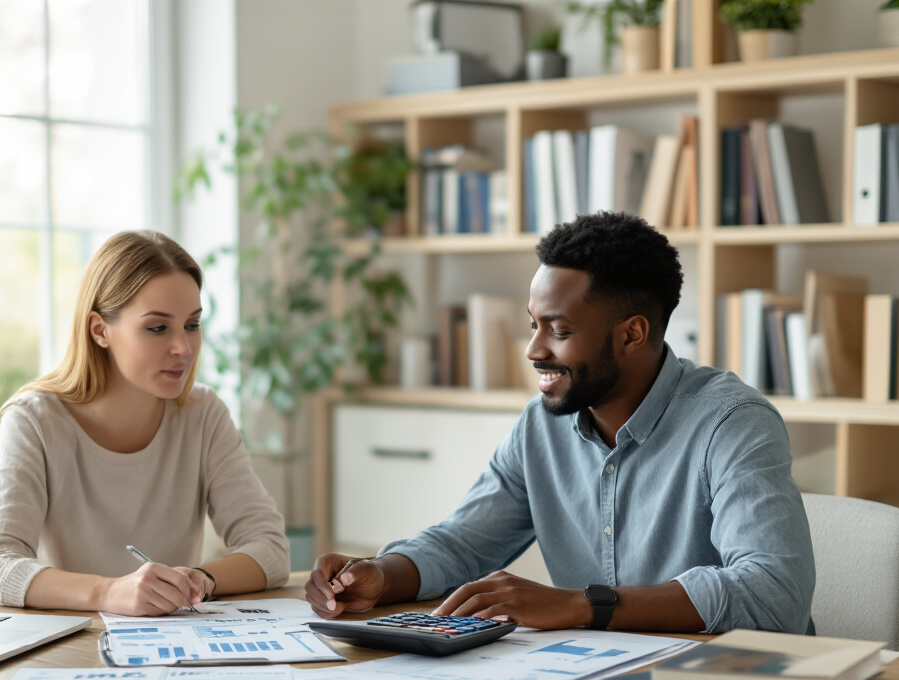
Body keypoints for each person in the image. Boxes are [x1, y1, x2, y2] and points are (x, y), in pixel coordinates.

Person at [306, 211, 815, 634]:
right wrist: (381, 574)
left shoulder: (732, 423)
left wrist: (581, 604)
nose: (533, 349)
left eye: (559, 330)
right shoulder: (540, 427)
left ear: (632, 334)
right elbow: (464, 542)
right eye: (534, 325)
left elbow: (773, 595)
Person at [0, 230, 290, 617]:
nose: (183, 347)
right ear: (99, 330)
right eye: (157, 328)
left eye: (192, 325)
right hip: (70, 643)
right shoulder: (33, 421)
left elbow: (270, 549)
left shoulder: (203, 413)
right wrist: (109, 593)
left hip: (173, 642)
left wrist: (202, 579)